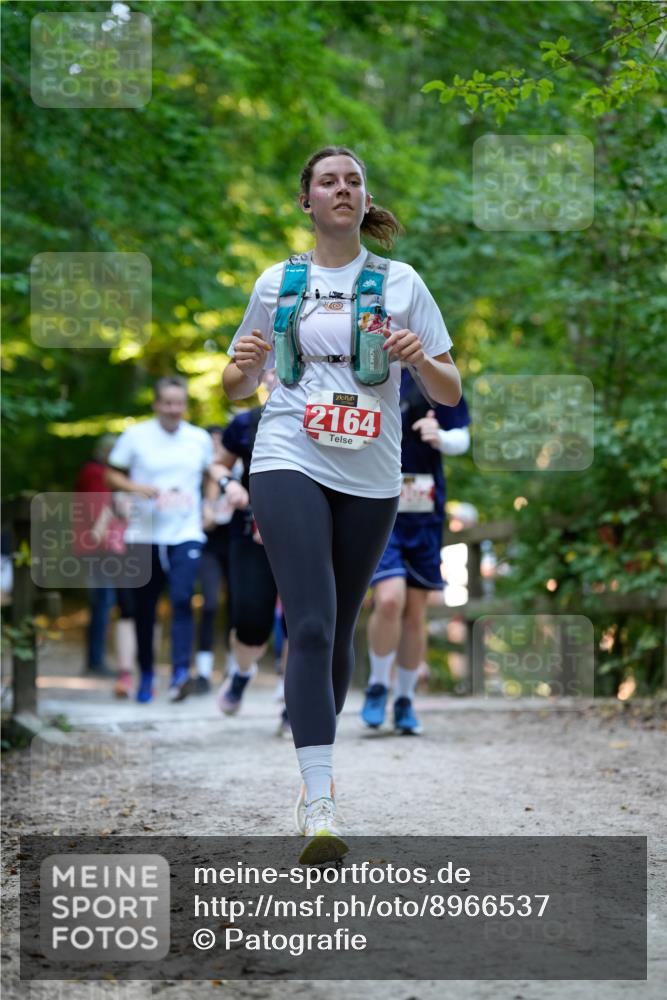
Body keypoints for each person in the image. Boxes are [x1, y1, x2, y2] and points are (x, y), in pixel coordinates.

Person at [222, 145, 462, 863]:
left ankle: (310, 771)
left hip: (370, 470)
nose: (343, 189)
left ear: (363, 199)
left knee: (339, 623)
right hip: (287, 453)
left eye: (353, 180)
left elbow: (448, 394)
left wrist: (418, 357)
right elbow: (239, 384)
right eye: (328, 180)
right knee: (314, 622)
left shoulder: (401, 282)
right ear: (306, 201)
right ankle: (321, 802)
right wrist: (238, 370)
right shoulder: (277, 283)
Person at [361, 374, 470, 734]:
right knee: (389, 599)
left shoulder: (435, 376)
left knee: (415, 612)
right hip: (377, 506)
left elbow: (462, 437)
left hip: (425, 512)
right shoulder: (363, 370)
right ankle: (378, 684)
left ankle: (404, 699)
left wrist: (439, 437)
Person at [106, 377, 214, 703]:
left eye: (178, 402)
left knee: (182, 600)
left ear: (185, 405)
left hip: (185, 532)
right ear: (156, 404)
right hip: (145, 533)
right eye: (166, 402)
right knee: (144, 609)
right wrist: (136, 489)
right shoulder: (135, 436)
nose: (172, 409)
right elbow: (111, 473)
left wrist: (208, 506)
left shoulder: (198, 439)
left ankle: (180, 673)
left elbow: (210, 475)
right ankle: (147, 675)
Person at [209, 376, 290, 738]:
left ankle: (294, 703)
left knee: (300, 621)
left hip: (303, 535)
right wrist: (231, 485)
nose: (275, 378)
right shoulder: (246, 423)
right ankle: (241, 673)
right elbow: (218, 465)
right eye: (268, 374)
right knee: (250, 623)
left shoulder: (318, 416)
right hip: (251, 535)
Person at [74, 434, 136, 693]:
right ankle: (96, 660)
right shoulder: (95, 472)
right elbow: (101, 506)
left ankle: (96, 659)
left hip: (102, 545)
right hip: (100, 547)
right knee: (104, 601)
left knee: (104, 601)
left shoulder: (95, 472)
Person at [192, 425, 235, 695]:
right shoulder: (195, 474)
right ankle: (203, 672)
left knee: (237, 606)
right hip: (207, 546)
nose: (216, 447)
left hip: (234, 543)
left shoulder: (237, 472)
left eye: (221, 442)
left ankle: (233, 670)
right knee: (208, 604)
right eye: (212, 443)